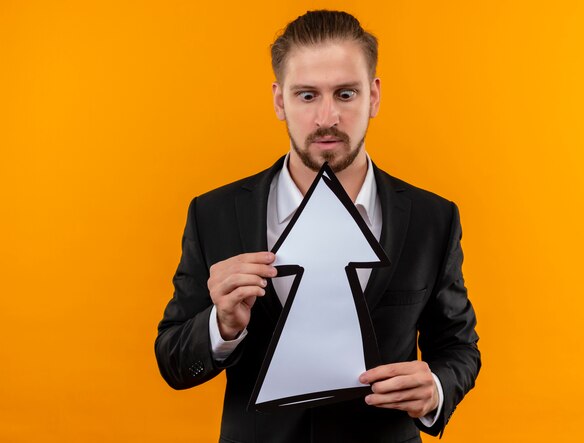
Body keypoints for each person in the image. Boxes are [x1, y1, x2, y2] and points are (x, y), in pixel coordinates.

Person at [155, 10, 480, 443]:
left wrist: (436, 389)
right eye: (307, 96)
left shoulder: (432, 218)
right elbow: (173, 361)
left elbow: (458, 347)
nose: (327, 117)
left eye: (346, 94)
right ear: (279, 100)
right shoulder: (214, 214)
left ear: (374, 96)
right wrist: (222, 325)